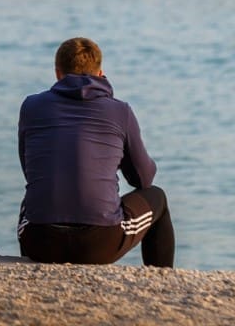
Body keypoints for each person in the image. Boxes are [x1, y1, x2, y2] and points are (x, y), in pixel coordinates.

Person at [17, 37, 175, 267]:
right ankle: (163, 282)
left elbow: (29, 170)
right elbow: (143, 179)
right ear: (100, 73)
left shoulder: (31, 106)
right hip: (99, 243)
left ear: (57, 73)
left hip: (40, 242)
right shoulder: (120, 111)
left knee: (32, 199)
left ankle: (34, 275)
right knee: (157, 197)